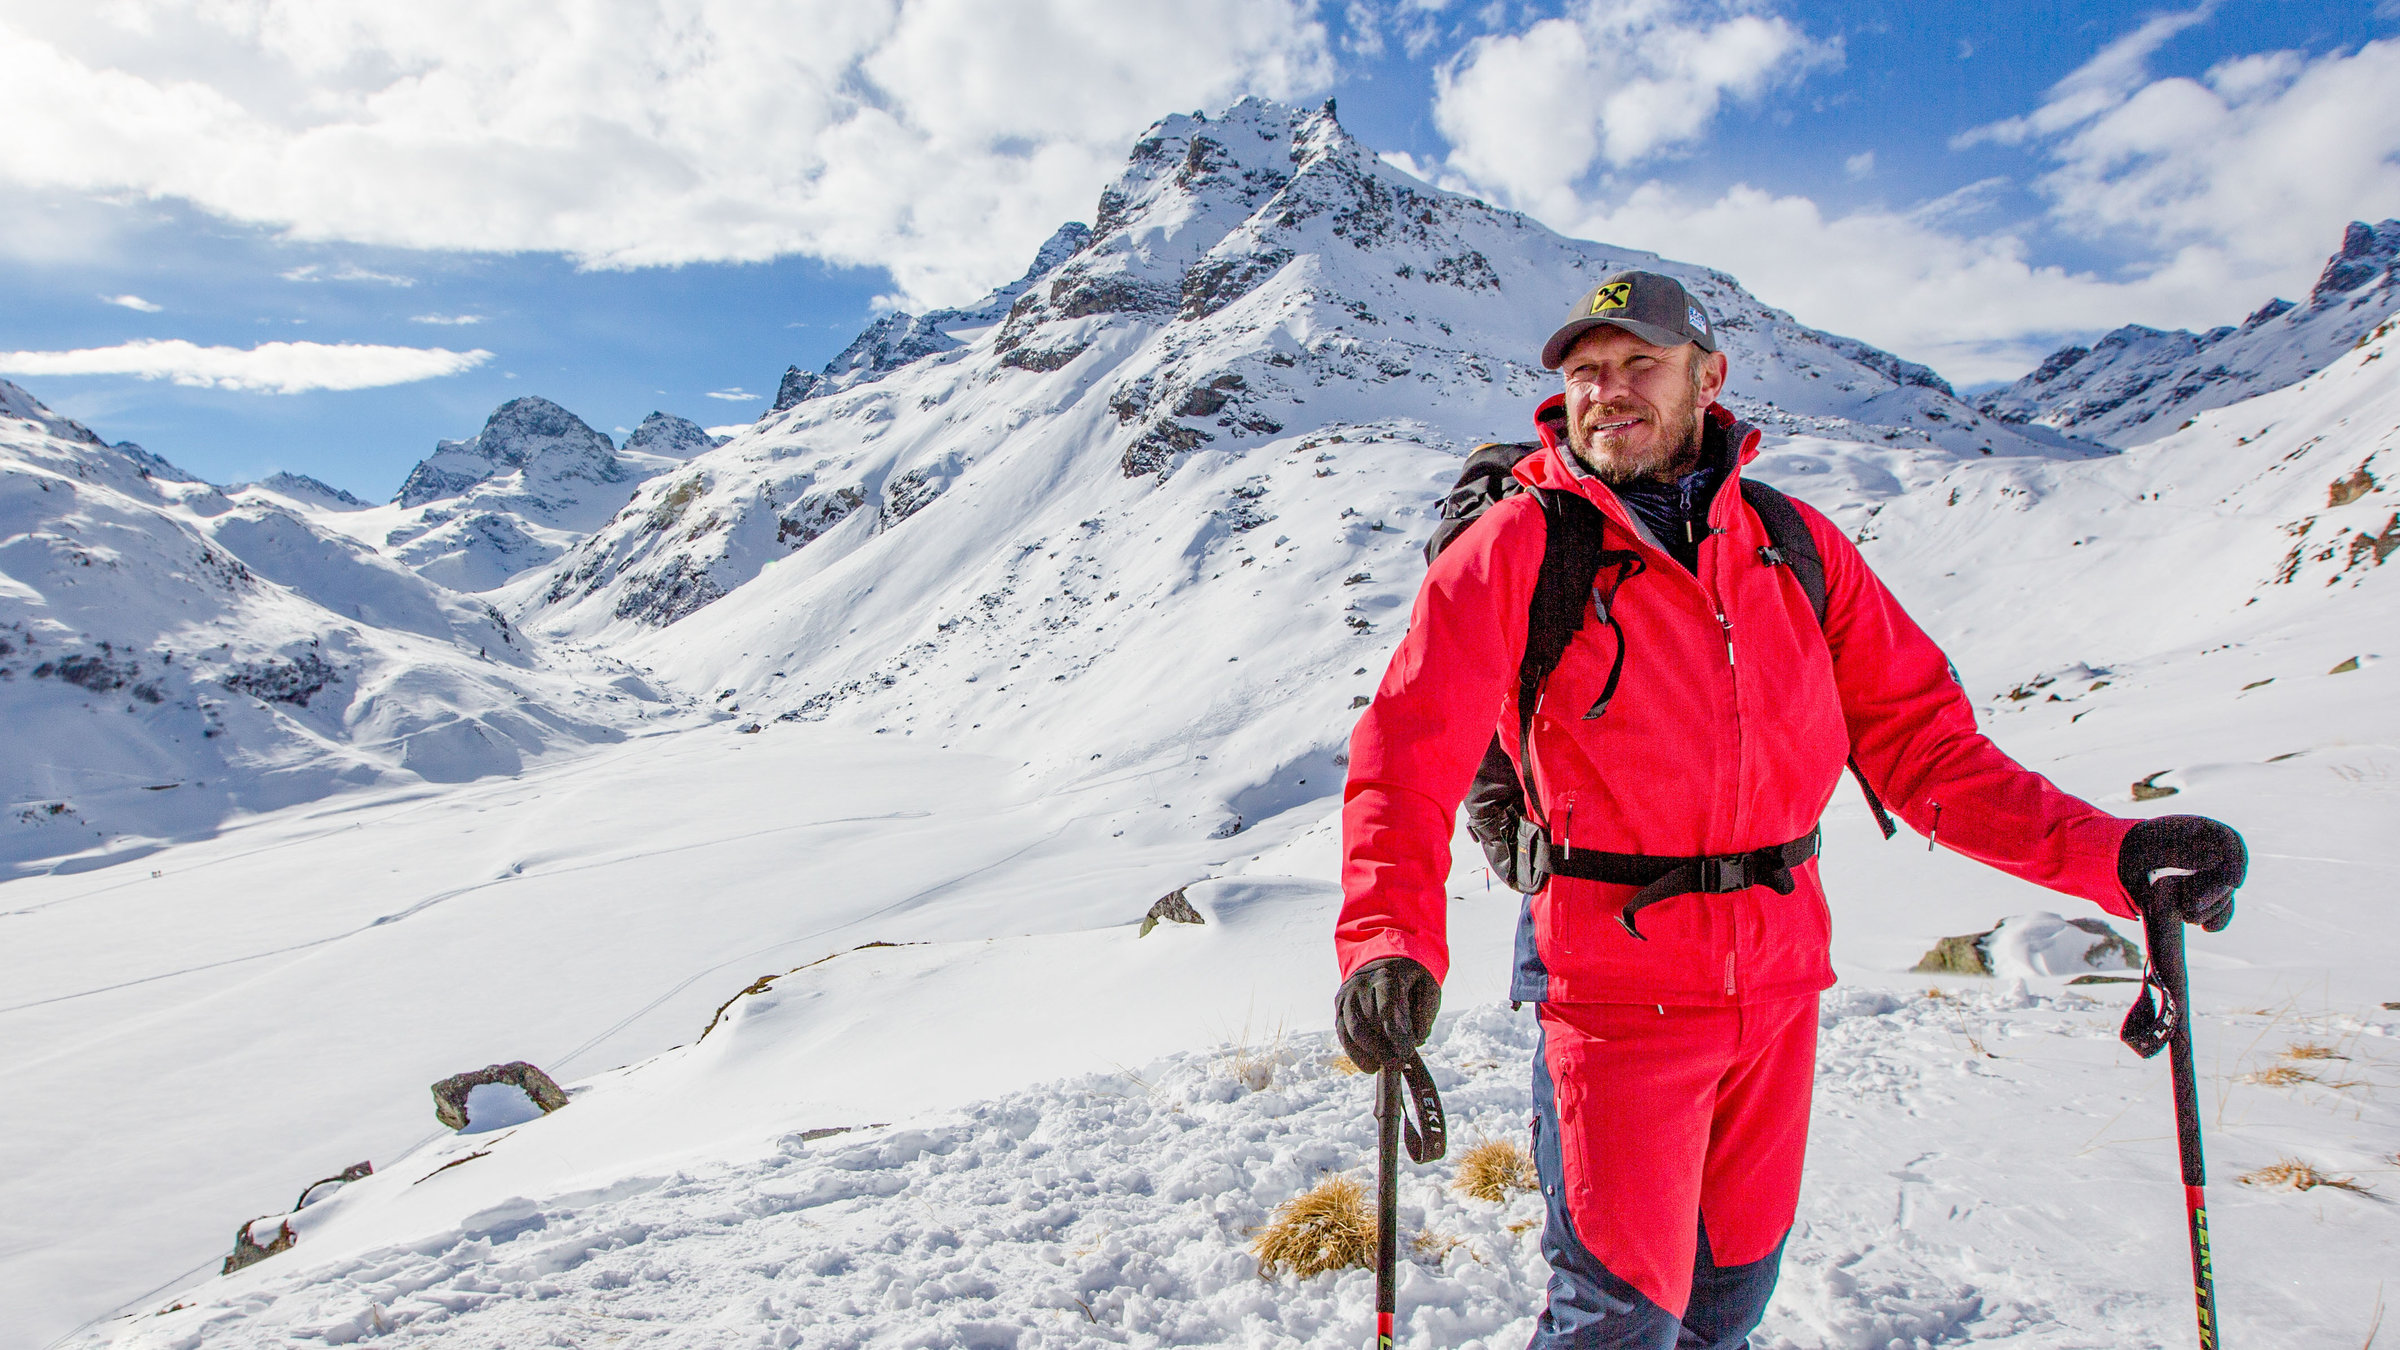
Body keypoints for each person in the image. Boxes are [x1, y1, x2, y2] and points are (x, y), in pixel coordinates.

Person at [1330, 270, 2246, 1349]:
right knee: (1617, 1321)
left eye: (1638, 365)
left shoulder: (1793, 545)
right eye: (1586, 372)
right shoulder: (1523, 546)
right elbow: (1405, 752)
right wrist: (1389, 939)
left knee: (1729, 1309)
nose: (1607, 392)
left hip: (1777, 992)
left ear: (1707, 377)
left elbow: (1928, 750)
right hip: (1613, 1001)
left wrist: (2117, 857)